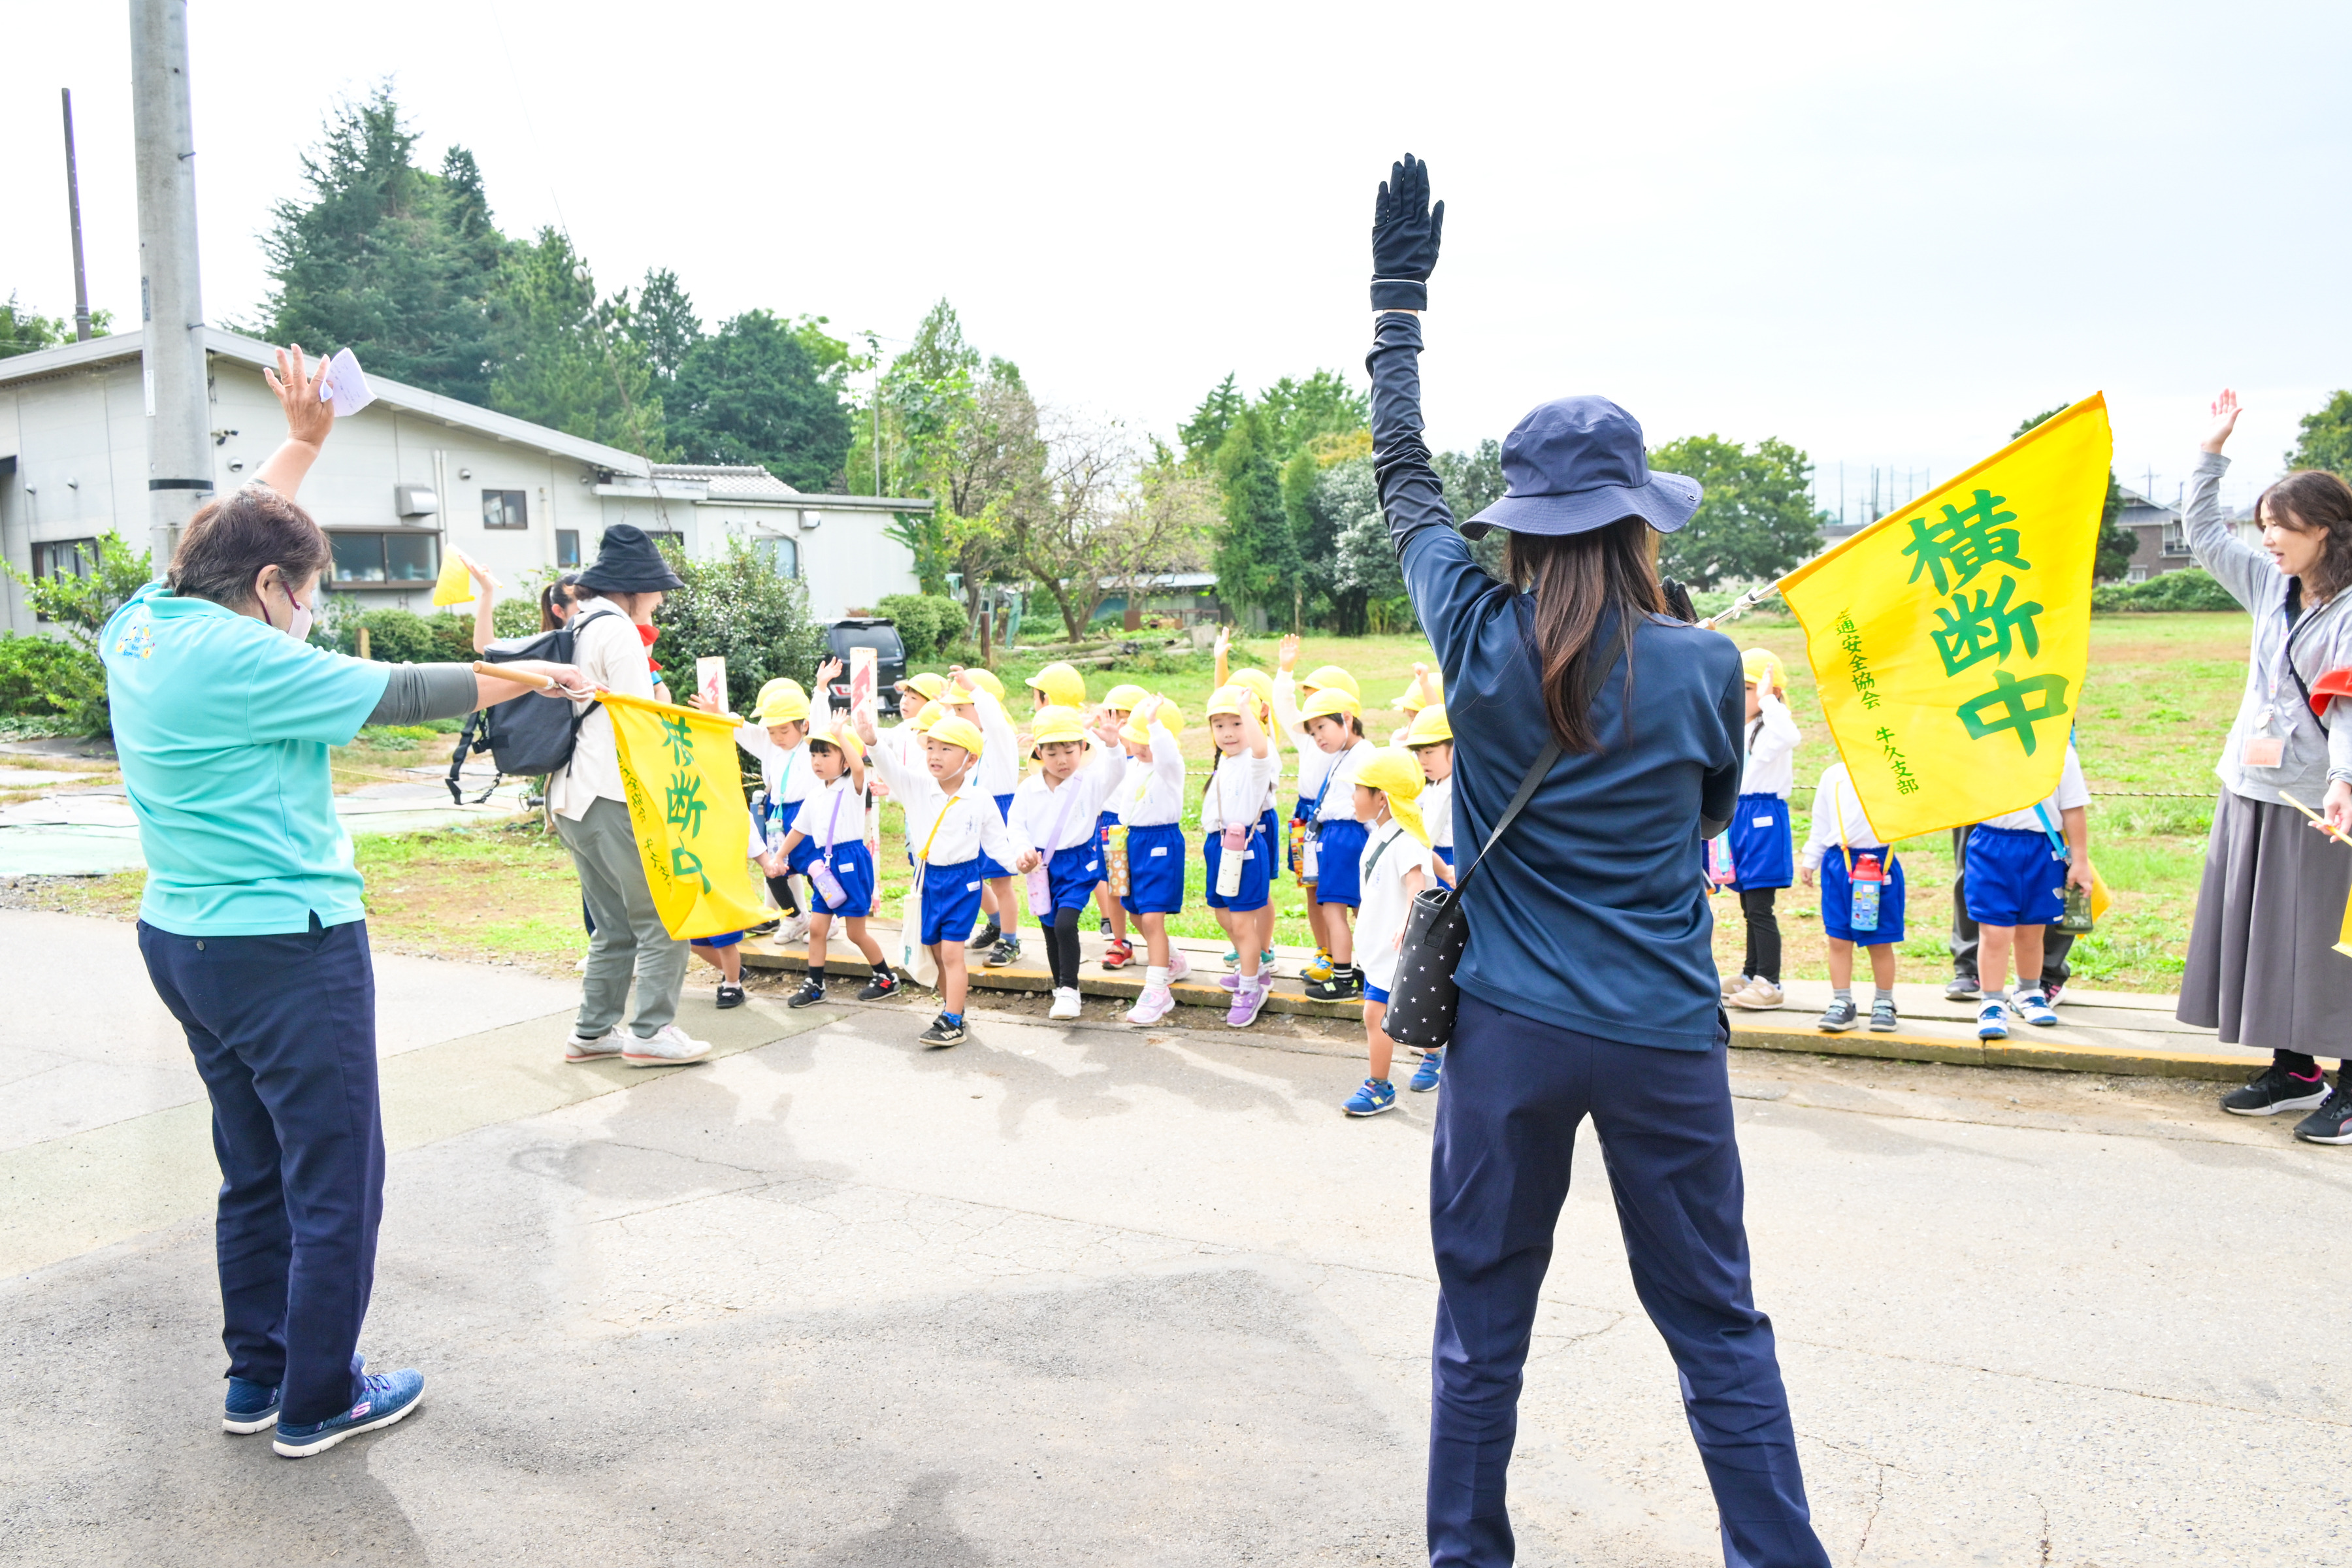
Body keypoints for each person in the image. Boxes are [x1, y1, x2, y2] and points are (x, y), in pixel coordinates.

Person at [1364, 154, 1832, 1567]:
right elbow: (1696, 824)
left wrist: (1398, 304)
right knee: (1717, 1326)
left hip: (1508, 1032)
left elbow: (1402, 472)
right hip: (1660, 1036)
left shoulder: (1469, 628)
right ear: (1641, 519)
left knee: (1481, 1326)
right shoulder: (1706, 665)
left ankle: (1469, 1556)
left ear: (1518, 523)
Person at [105, 346, 594, 1458]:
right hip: (287, 945)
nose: (310, 610)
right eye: (309, 591)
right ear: (273, 591)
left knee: (257, 1170)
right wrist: (539, 672)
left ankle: (258, 1378)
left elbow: (244, 531)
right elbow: (404, 691)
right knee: (336, 1176)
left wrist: (308, 443)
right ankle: (322, 1397)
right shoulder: (246, 657)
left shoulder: (146, 620)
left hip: (184, 939)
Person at [2180, 389, 2352, 1145]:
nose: (2269, 540)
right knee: (2267, 934)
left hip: (2324, 801)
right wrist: (2210, 453)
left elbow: (2347, 709)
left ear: (2324, 531)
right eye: (2264, 528)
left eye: (2281, 528)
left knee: (2327, 942)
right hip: (2251, 787)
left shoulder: (2349, 611)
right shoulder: (2268, 586)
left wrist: (2346, 783)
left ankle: (2349, 1083)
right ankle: (2296, 1068)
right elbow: (2198, 533)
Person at [547, 525, 715, 1070]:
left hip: (572, 797)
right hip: (613, 794)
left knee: (614, 924)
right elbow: (638, 723)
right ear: (635, 588)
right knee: (665, 916)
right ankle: (651, 1032)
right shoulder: (617, 632)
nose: (662, 599)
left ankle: (594, 1032)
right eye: (658, 590)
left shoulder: (579, 623)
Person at [854, 704, 1019, 1047]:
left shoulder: (980, 799)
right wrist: (871, 741)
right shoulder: (917, 786)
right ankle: (951, 1008)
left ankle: (952, 1020)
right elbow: (889, 767)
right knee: (934, 948)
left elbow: (999, 846)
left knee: (952, 953)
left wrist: (1021, 864)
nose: (935, 755)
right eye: (931, 747)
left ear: (970, 760)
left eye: (946, 749)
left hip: (964, 882)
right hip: (927, 880)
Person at [1962, 741, 2093, 1039]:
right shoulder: (1979, 744)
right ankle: (1992, 1001)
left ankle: (2029, 993)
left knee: (2032, 930)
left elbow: (2072, 807)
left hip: (2042, 847)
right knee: (1995, 932)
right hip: (1991, 846)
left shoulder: (2059, 748)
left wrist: (2081, 862)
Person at [1006, 704, 1124, 1020]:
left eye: (1069, 751)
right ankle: (1061, 987)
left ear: (1083, 748)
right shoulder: (1028, 789)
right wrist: (1023, 850)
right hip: (1041, 867)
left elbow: (1116, 773)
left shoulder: (1089, 783)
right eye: (1052, 752)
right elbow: (1015, 826)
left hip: (1078, 865)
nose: (1062, 760)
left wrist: (1113, 745)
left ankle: (1070, 990)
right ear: (1039, 753)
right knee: (1049, 928)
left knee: (1065, 923)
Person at [772, 721, 898, 1007]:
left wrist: (841, 735)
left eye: (826, 755)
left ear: (844, 758)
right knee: (817, 929)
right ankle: (815, 984)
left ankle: (886, 977)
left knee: (856, 932)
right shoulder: (815, 795)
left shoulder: (852, 786)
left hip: (851, 863)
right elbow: (798, 830)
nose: (817, 761)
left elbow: (858, 768)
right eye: (814, 755)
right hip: (824, 868)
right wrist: (779, 856)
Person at [1339, 748, 1436, 1115]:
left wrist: (1407, 919)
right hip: (1379, 948)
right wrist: (1446, 872)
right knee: (1412, 1012)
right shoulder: (1386, 833)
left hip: (1397, 949)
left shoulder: (1404, 840)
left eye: (1359, 789)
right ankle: (1435, 1054)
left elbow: (1414, 881)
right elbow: (1429, 859)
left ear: (1381, 797)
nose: (1352, 796)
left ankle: (1379, 1087)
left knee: (1375, 1015)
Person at [706, 666, 831, 943]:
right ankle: (795, 917)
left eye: (784, 730)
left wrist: (821, 689)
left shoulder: (813, 742)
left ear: (804, 725)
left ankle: (827, 919)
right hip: (778, 817)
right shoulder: (769, 745)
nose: (778, 737)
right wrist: (718, 713)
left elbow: (821, 719)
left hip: (809, 815)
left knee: (816, 870)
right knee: (775, 870)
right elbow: (743, 729)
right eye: (772, 731)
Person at [1798, 759, 1904, 1033]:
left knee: (1880, 941)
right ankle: (1842, 1002)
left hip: (1880, 863)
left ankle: (1884, 1002)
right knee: (1838, 938)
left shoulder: (1892, 770)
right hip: (1839, 864)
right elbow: (1821, 823)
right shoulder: (1833, 774)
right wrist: (1811, 860)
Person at [1723, 649, 1802, 1011]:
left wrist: (1770, 699)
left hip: (1764, 818)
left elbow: (1790, 734)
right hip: (1740, 815)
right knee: (1747, 903)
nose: (1743, 694)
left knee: (1760, 905)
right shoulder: (1741, 725)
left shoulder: (1774, 724)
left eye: (1750, 687)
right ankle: (1751, 973)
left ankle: (1769, 981)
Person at [1200, 684, 1280, 1027]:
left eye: (1237, 724)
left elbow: (1261, 746)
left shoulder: (1257, 760)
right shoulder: (1227, 761)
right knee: (1223, 915)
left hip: (1245, 848)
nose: (1229, 733)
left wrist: (1247, 711)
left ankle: (1250, 988)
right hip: (1218, 845)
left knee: (1243, 923)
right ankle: (1254, 966)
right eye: (1220, 725)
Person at [1114, 696, 1193, 1024]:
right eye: (1138, 738)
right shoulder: (1132, 764)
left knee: (1151, 919)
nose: (1143, 746)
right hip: (1132, 840)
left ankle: (1157, 990)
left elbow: (1166, 755)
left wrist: (1154, 725)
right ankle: (1173, 960)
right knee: (1135, 915)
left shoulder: (1170, 767)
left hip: (1161, 843)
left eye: (1151, 741)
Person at [1299, 687, 1376, 1000]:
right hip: (1337, 837)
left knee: (1335, 908)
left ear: (1346, 719)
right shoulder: (1345, 754)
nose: (1318, 738)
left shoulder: (1363, 753)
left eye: (1322, 727)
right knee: (1356, 909)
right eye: (1313, 732)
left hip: (1346, 838)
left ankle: (1343, 977)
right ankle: (1362, 970)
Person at [943, 668, 1024, 966]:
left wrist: (974, 689)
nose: (956, 715)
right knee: (972, 874)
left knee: (1001, 882)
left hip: (998, 812)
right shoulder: (972, 741)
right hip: (972, 812)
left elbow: (991, 715)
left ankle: (1011, 941)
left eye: (961, 709)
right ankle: (996, 923)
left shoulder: (1000, 737)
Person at [1094, 681, 1154, 964]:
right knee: (1113, 888)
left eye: (1126, 717)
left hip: (1138, 830)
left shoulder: (1149, 759)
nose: (1119, 725)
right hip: (1110, 826)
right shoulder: (1104, 751)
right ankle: (1120, 942)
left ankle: (1159, 945)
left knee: (1140, 892)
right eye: (1113, 716)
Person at [1405, 702, 1456, 887]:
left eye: (1429, 752)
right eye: (1418, 753)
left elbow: (1424, 842)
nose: (1423, 760)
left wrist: (1445, 872)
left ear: (1455, 747)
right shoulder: (1439, 783)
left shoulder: (1447, 787)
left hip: (1447, 865)